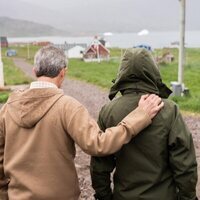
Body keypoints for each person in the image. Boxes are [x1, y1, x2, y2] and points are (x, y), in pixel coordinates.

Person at [0, 46, 164, 200]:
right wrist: (140, 116)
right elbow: (99, 144)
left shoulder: (7, 108)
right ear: (63, 72)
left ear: (35, 70)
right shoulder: (67, 107)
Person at [90, 48, 198, 200]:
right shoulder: (168, 110)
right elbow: (185, 164)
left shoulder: (108, 111)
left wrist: (104, 196)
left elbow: (99, 166)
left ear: (122, 72)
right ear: (153, 70)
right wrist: (188, 197)